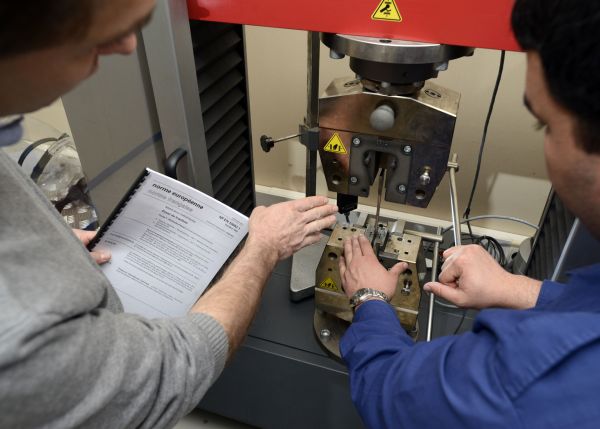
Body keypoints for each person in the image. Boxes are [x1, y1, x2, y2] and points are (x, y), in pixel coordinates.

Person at [0, 2, 338, 428]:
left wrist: (55, 254)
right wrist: (263, 248)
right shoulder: (22, 342)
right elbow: (169, 370)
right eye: (105, 27)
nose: (127, 45)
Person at [338, 0, 600, 427]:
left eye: (546, 125)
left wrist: (369, 300)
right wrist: (517, 290)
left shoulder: (527, 377)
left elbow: (392, 395)